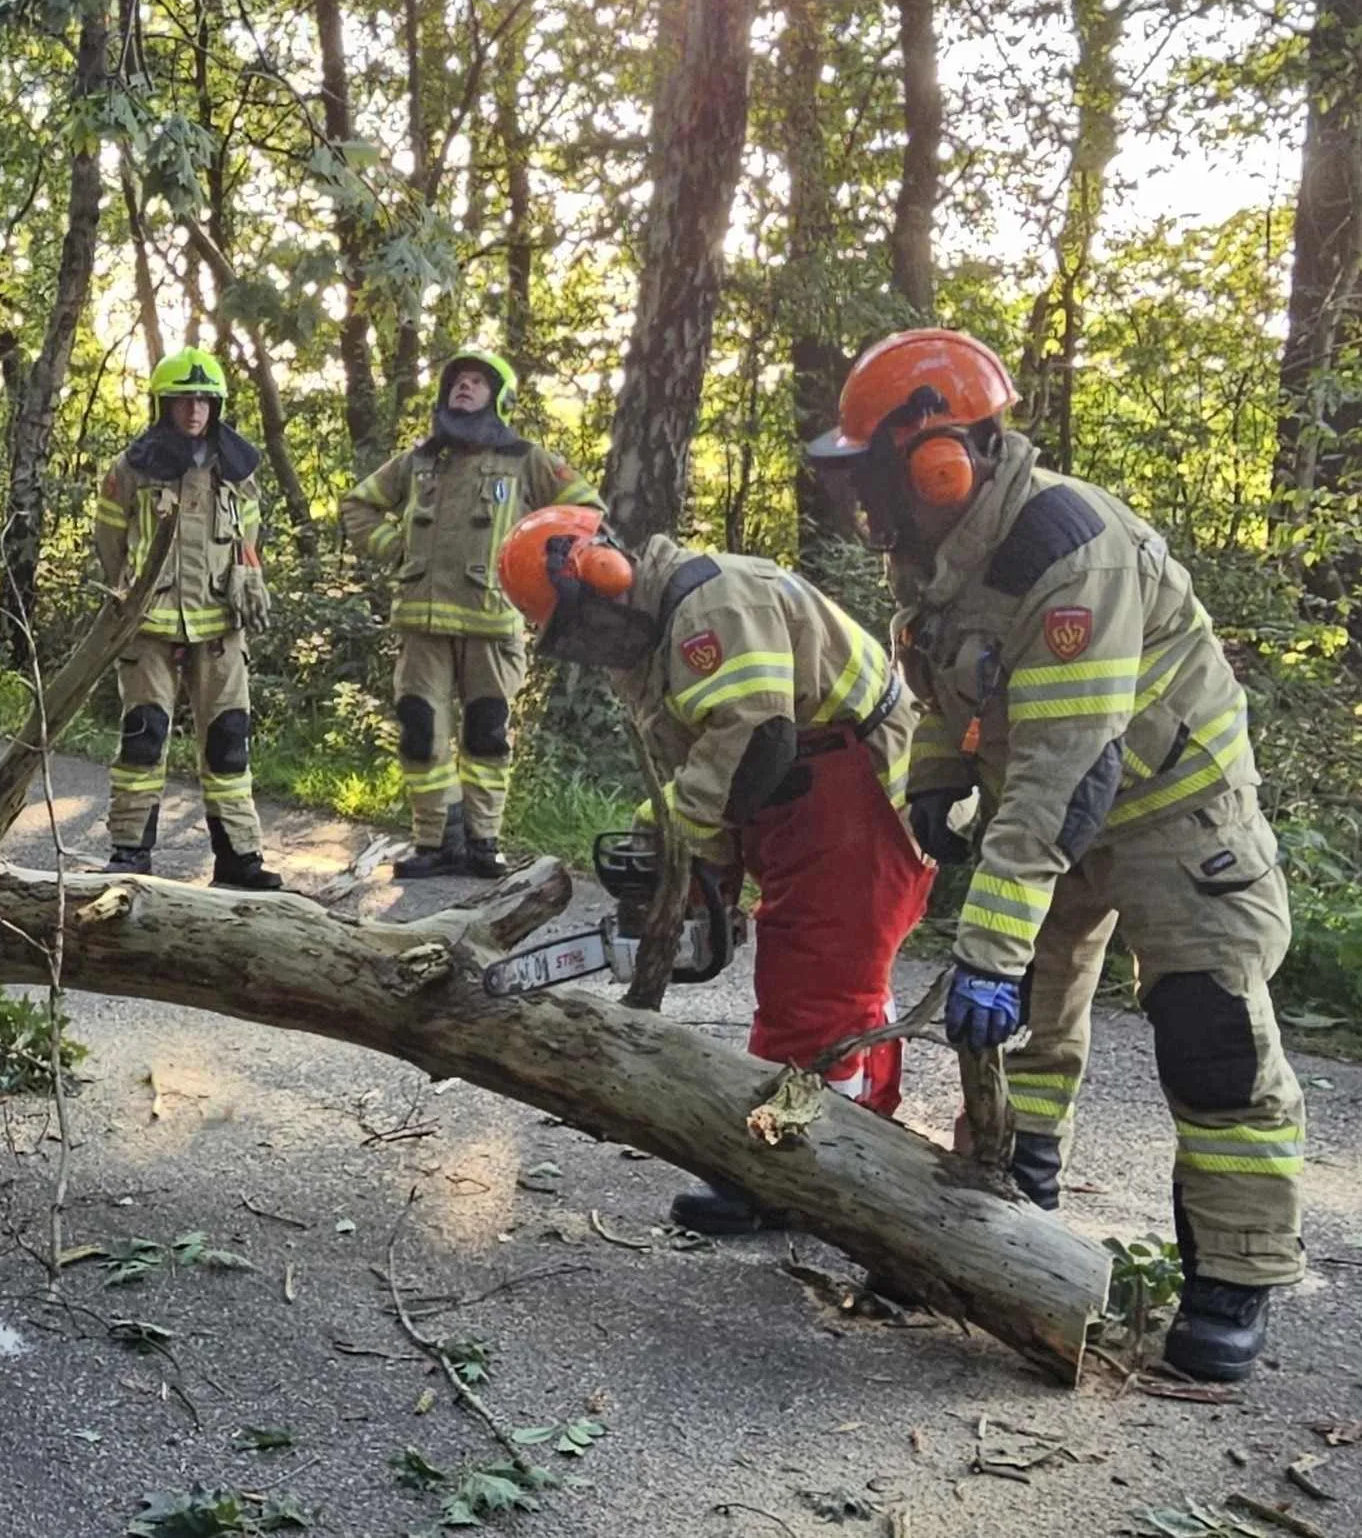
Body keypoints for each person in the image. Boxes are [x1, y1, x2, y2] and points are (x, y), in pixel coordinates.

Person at [808, 326, 1301, 1382]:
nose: (863, 504)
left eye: (873, 475)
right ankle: (1012, 1203)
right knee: (1028, 1028)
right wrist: (935, 784)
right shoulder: (941, 556)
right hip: (1052, 812)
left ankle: (1236, 1271)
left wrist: (986, 945)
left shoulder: (1069, 550)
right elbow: (943, 690)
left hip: (1176, 811)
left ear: (939, 456)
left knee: (1210, 1034)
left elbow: (1067, 773)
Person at [496, 505, 934, 1233]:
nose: (588, 646)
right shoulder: (646, 647)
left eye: (581, 623)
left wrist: (677, 836)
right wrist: (707, 885)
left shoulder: (709, 605)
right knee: (848, 985)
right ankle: (859, 1140)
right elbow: (715, 761)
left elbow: (757, 738)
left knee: (812, 986)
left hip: (854, 781)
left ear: (606, 574)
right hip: (803, 788)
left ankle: (785, 1170)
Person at [341, 352, 602, 879]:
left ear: (497, 398)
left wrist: (541, 569)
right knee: (421, 732)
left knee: (486, 734)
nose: (464, 387)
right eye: (457, 381)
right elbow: (359, 504)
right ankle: (436, 842)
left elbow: (586, 511)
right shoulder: (418, 460)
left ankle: (483, 844)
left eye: (477, 382)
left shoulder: (526, 459)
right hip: (421, 628)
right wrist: (394, 547)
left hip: (492, 624)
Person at [89, 347, 283, 892]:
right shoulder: (131, 469)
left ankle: (238, 859)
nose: (194, 410)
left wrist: (250, 573)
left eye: (204, 400)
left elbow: (248, 540)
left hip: (220, 630)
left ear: (215, 406)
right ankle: (130, 851)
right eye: (184, 400)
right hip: (148, 628)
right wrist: (125, 594)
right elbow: (109, 539)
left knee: (228, 741)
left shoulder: (236, 470)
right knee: (143, 738)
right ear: (165, 405)